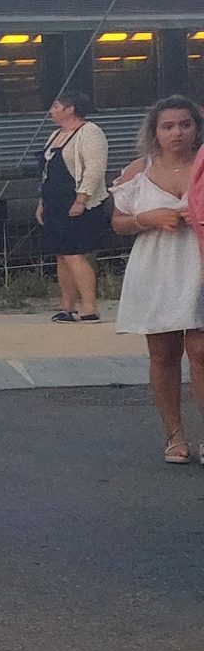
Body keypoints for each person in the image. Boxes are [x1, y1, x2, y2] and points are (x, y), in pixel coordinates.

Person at [113, 97, 204, 463]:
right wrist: (149, 219)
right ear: (155, 132)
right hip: (157, 266)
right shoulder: (139, 169)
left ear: (196, 128)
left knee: (200, 350)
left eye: (184, 124)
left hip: (198, 264)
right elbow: (118, 223)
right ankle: (174, 436)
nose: (177, 132)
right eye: (168, 127)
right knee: (163, 353)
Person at [37, 89, 111, 323]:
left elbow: (94, 170)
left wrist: (81, 200)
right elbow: (46, 173)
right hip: (55, 204)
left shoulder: (90, 133)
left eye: (57, 106)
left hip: (77, 203)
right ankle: (66, 306)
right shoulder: (54, 136)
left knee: (74, 253)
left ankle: (89, 307)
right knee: (62, 254)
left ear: (71, 109)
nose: (52, 110)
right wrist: (42, 202)